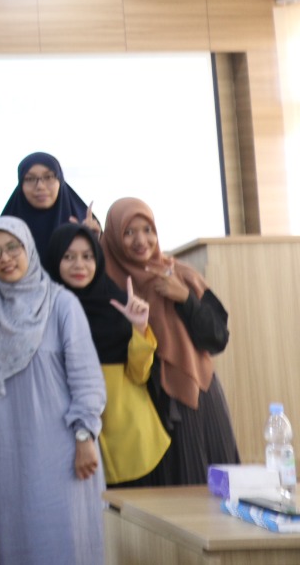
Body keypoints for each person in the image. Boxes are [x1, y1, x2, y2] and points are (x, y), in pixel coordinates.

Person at [0, 217, 106, 565]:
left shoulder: (61, 304)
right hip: (9, 450)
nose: (5, 258)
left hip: (64, 448)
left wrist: (85, 436)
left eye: (13, 248)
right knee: (20, 537)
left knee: (67, 539)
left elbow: (86, 378)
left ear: (29, 249)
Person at [102, 197, 239, 483]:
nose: (141, 240)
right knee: (172, 493)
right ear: (113, 237)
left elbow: (218, 338)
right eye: (129, 232)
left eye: (147, 230)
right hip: (150, 404)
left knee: (219, 491)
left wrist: (185, 298)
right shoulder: (109, 289)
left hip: (201, 394)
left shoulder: (183, 276)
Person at [45, 223, 170, 487]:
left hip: (129, 440)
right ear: (54, 260)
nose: (79, 265)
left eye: (87, 256)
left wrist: (139, 328)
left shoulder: (118, 303)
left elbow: (139, 375)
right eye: (68, 257)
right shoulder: (46, 311)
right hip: (71, 440)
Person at [1, 152, 92, 258]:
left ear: (60, 181)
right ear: (21, 185)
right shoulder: (4, 229)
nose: (40, 186)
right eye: (30, 179)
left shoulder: (86, 225)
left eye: (48, 177)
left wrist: (93, 241)